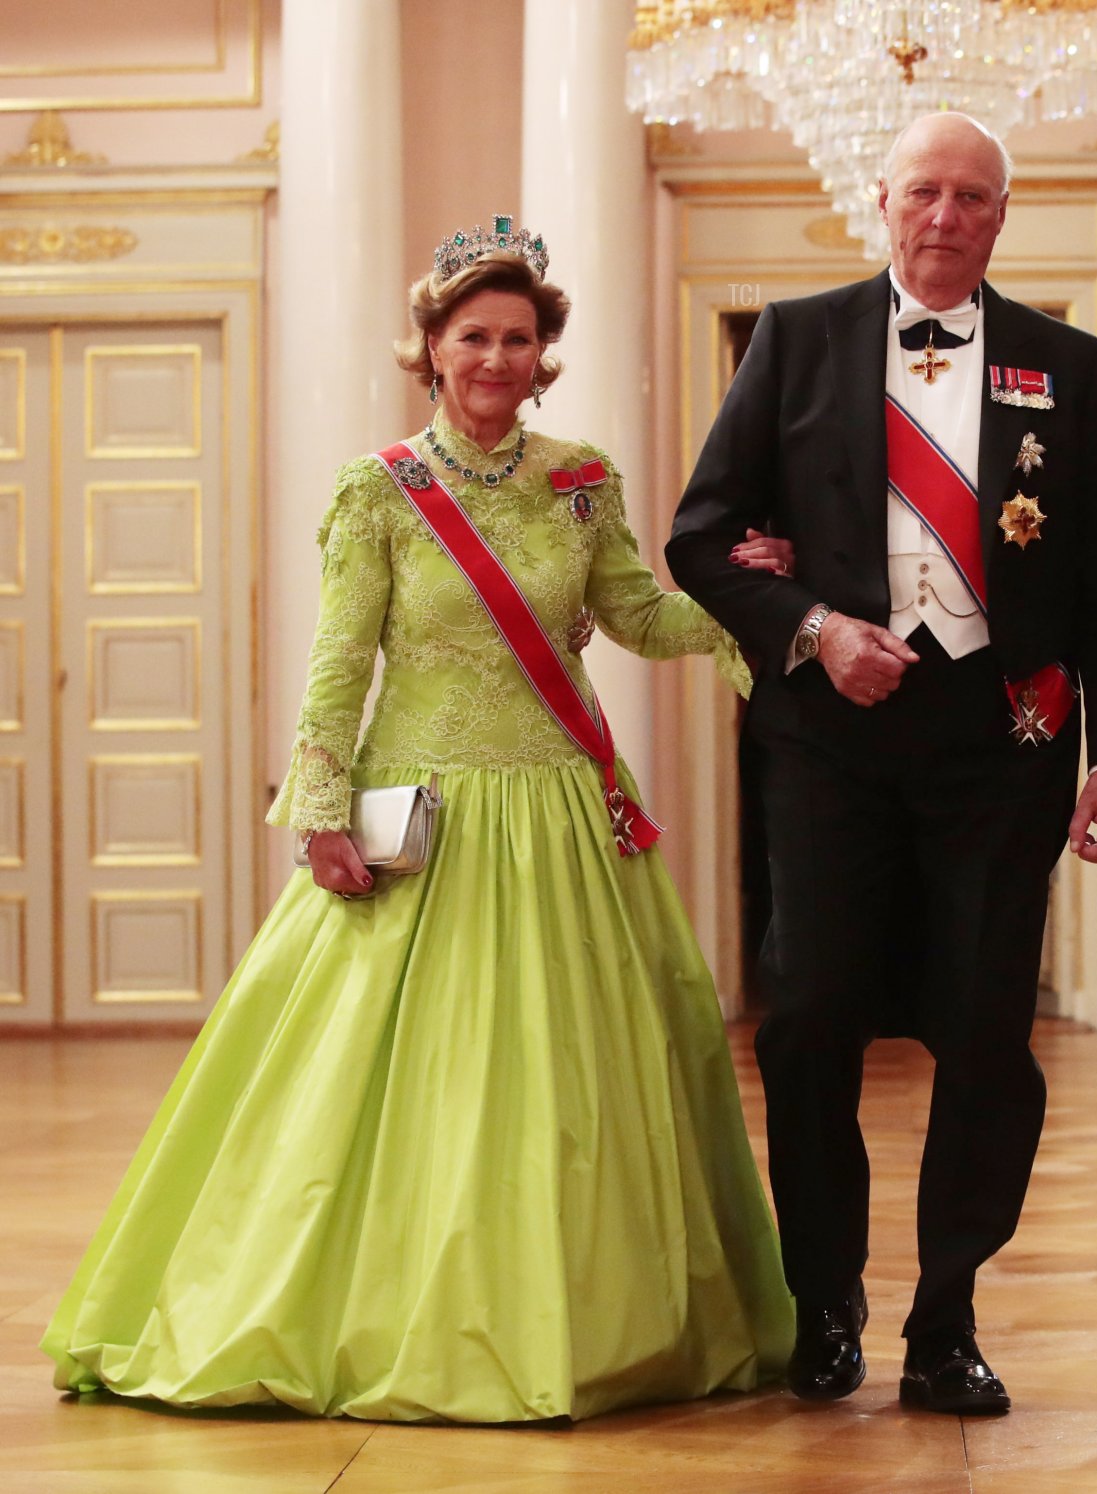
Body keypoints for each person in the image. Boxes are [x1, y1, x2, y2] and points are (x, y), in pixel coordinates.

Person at [41, 221, 797, 1423]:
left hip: (560, 815)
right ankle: (357, 1314)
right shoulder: (378, 489)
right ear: (432, 351)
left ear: (544, 351)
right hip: (420, 820)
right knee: (377, 1090)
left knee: (567, 1088)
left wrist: (746, 606)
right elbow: (340, 664)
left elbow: (637, 616)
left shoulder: (580, 478)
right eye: (472, 337)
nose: (496, 357)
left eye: (518, 337)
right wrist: (321, 811)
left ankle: (582, 1323)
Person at [667, 113, 1097, 1416]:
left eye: (976, 199)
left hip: (1004, 752)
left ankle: (947, 1322)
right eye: (926, 192)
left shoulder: (1068, 360)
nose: (948, 217)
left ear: (1005, 217)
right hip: (831, 742)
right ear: (879, 200)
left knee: (989, 1036)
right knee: (813, 1016)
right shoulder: (796, 337)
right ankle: (825, 1305)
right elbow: (701, 540)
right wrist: (816, 633)